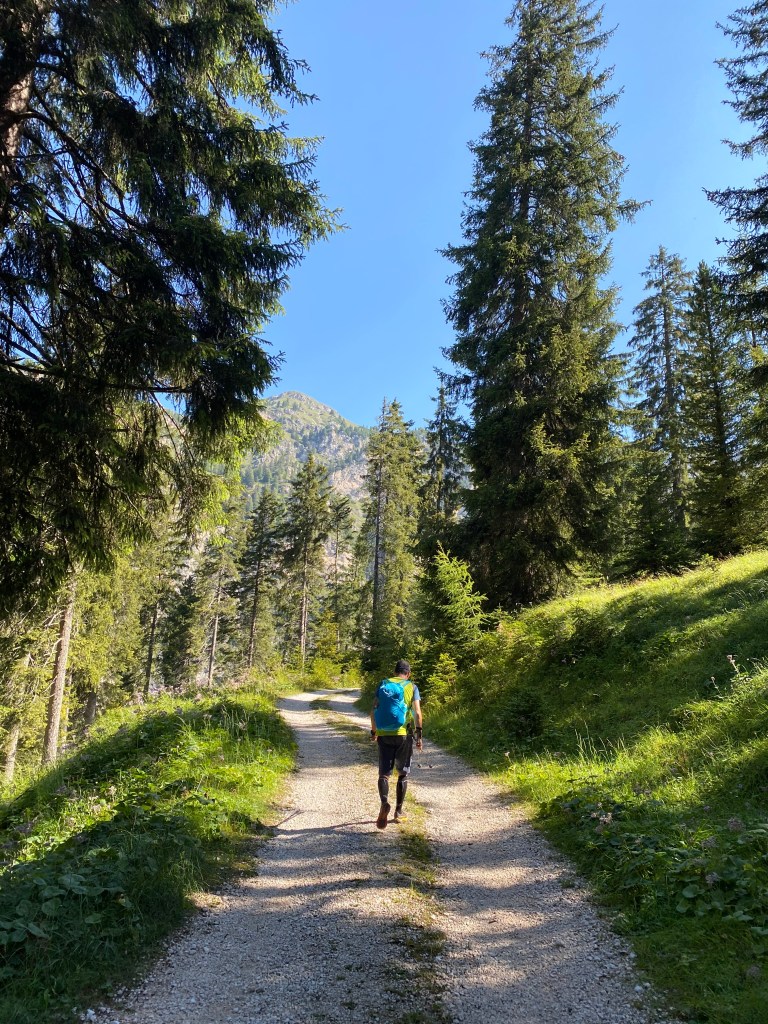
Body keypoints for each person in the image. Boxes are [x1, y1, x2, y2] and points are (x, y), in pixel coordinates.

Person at [370, 659, 422, 830]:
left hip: (384, 734)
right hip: (402, 735)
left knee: (384, 774)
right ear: (408, 673)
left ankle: (384, 802)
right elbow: (418, 713)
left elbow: (374, 710)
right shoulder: (411, 687)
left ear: (395, 671)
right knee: (403, 773)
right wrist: (419, 736)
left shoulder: (384, 684)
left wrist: (374, 731)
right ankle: (398, 812)